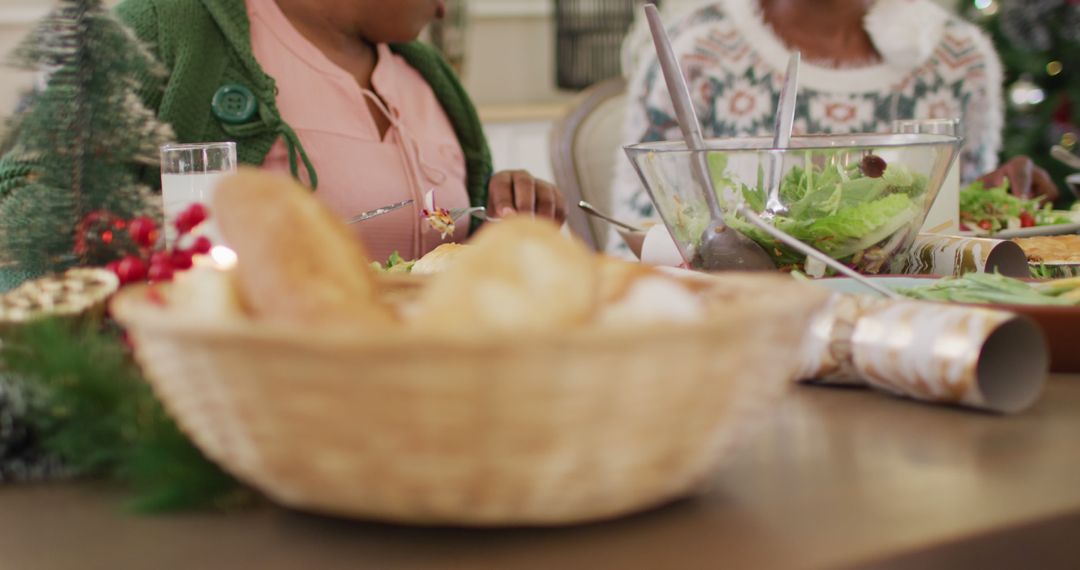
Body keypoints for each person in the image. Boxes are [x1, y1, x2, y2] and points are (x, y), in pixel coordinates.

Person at [3, 0, 567, 265]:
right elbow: (23, 209)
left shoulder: (427, 72)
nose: (445, 10)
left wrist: (501, 222)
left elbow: (456, 247)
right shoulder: (171, 26)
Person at [611, 0, 1057, 254]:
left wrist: (988, 196)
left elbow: (953, 228)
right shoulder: (696, 51)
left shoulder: (958, 57)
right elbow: (639, 235)